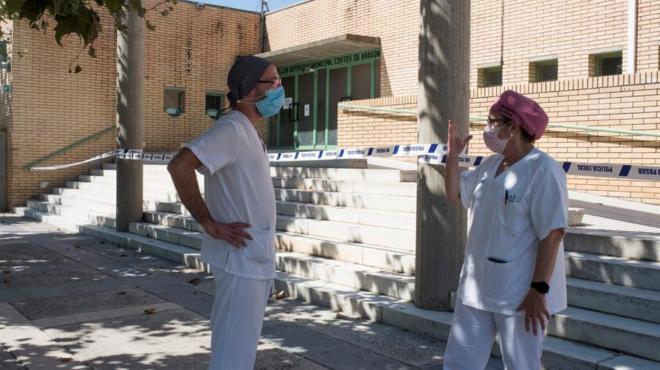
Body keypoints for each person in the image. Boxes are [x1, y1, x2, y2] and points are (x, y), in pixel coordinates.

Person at [167, 55, 284, 370]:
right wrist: (209, 223)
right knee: (233, 355)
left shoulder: (248, 131)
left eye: (279, 80)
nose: (279, 87)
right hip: (241, 259)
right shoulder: (232, 129)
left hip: (252, 256)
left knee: (237, 351)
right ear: (249, 89)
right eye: (272, 81)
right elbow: (180, 166)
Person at [442, 90, 568, 370]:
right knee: (459, 363)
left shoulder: (543, 171)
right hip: (476, 288)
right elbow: (455, 195)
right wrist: (453, 158)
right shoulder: (490, 166)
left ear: (514, 127)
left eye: (493, 121)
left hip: (519, 295)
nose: (488, 128)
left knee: (522, 365)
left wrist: (539, 291)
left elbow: (553, 234)